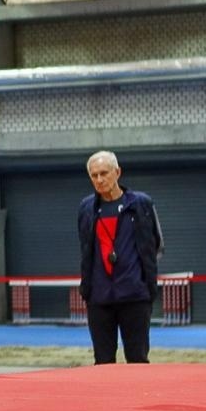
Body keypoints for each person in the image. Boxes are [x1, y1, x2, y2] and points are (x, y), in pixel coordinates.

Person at [77, 150, 164, 365]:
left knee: (137, 360)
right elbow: (85, 248)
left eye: (104, 173)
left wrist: (144, 280)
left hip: (135, 295)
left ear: (117, 173)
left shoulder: (141, 204)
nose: (99, 179)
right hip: (99, 297)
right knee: (102, 362)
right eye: (94, 175)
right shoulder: (86, 208)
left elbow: (156, 244)